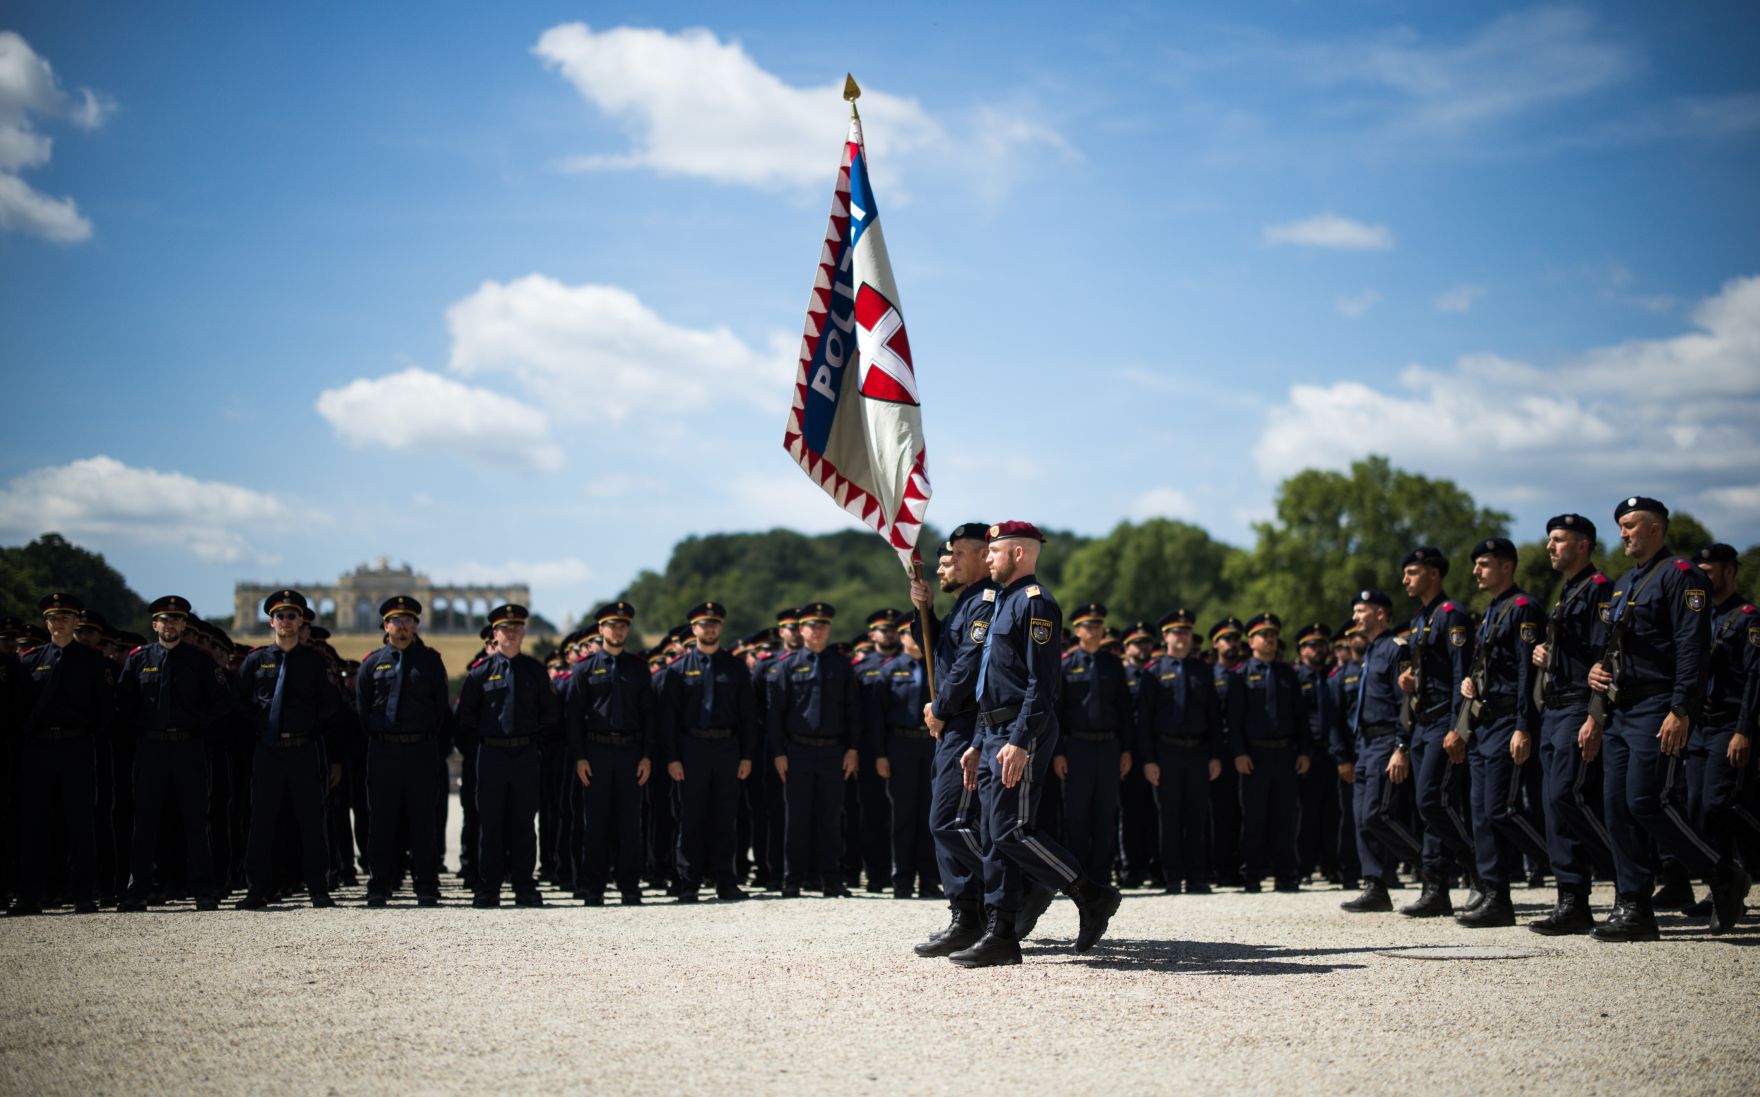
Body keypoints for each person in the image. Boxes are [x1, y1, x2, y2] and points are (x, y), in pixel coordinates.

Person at [948, 522, 1120, 968]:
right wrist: (979, 741)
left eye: (994, 551)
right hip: (992, 732)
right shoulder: (1002, 602)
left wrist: (1020, 740)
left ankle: (1091, 894)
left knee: (1011, 829)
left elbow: (1041, 684)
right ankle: (1001, 932)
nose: (986, 558)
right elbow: (994, 683)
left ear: (1019, 554)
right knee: (992, 835)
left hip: (1021, 732)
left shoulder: (1035, 604)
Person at [1587, 498, 1745, 940]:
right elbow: (1612, 650)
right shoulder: (1624, 584)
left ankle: (1722, 872)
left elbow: (1693, 649)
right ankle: (1634, 905)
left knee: (1646, 802)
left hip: (1659, 705)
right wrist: (1596, 682)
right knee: (1616, 807)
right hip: (1621, 708)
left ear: (1656, 529)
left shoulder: (1681, 576)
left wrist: (1681, 710)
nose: (1623, 534)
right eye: (1619, 526)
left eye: (1631, 525)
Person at [911, 524, 1003, 957]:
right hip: (951, 726)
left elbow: (967, 667)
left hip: (965, 724)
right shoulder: (964, 603)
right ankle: (965, 913)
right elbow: (940, 651)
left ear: (983, 556)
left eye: (956, 556)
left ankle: (1013, 884)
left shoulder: (984, 602)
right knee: (945, 822)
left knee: (947, 820)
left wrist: (940, 708)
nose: (947, 564)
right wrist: (923, 612)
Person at [1526, 515, 1616, 934]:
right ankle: (1572, 900)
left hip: (1579, 706)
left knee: (1568, 796)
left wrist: (1594, 715)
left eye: (1558, 540)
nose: (1550, 547)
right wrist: (1548, 653)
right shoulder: (1566, 592)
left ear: (1583, 545)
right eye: (1549, 540)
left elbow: (1606, 655)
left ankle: (1629, 874)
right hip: (1555, 708)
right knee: (1553, 807)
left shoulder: (1599, 590)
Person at [115, 596, 232, 911]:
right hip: (151, 747)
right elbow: (124, 702)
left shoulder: (199, 660)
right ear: (155, 625)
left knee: (195, 822)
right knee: (145, 823)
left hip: (187, 748)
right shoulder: (139, 659)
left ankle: (203, 891)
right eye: (165, 620)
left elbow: (221, 704)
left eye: (177, 620)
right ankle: (137, 890)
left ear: (184, 624)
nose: (170, 625)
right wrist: (142, 728)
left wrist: (197, 729)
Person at [1455, 539, 1550, 927]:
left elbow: (1528, 672)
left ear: (1507, 567)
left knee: (1500, 809)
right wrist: (1470, 683)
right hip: (1485, 722)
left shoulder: (1523, 608)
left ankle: (1559, 857)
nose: (1476, 571)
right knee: (1481, 814)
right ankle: (1496, 895)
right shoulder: (1492, 610)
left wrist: (1523, 726)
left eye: (1484, 564)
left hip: (1510, 720)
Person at [234, 590, 344, 910]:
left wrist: (308, 725)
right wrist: (260, 723)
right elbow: (239, 702)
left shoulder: (314, 662)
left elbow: (330, 706)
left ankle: (318, 888)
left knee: (311, 820)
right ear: (271, 621)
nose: (286, 621)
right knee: (263, 822)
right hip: (268, 749)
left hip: (302, 748)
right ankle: (258, 889)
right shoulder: (256, 661)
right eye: (280, 616)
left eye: (292, 616)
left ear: (301, 621)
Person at [8, 594, 116, 916]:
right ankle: (30, 896)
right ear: (46, 621)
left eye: (65, 617)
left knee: (80, 822)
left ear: (75, 621)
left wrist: (84, 735)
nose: (59, 623)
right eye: (53, 618)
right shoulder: (30, 660)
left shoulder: (91, 661)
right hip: (40, 748)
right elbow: (19, 707)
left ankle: (83, 895)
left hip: (75, 746)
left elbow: (104, 710)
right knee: (35, 824)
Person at [456, 604, 560, 908]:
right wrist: (483, 744)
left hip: (525, 754)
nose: (511, 633)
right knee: (490, 824)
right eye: (505, 628)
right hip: (492, 756)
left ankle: (524, 887)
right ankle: (488, 888)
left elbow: (551, 715)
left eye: (517, 627)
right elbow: (465, 718)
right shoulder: (480, 674)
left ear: (524, 632)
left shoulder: (536, 671)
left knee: (524, 824)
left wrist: (532, 741)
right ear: (494, 633)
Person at [1396, 546, 1478, 918]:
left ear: (1433, 573)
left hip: (1444, 721)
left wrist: (1457, 727)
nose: (1405, 579)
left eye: (1412, 572)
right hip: (1423, 722)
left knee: (1433, 800)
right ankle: (1435, 887)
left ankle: (1478, 867)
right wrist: (1410, 681)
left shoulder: (1452, 614)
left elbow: (1464, 675)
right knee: (1427, 807)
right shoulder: (1419, 619)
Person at [356, 595, 451, 908]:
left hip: (420, 751)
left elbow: (441, 709)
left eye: (408, 620)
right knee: (381, 821)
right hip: (384, 752)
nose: (402, 625)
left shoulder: (430, 661)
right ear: (385, 625)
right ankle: (380, 884)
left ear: (416, 625)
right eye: (396, 620)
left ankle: (426, 885)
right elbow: (363, 708)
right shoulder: (372, 663)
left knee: (423, 820)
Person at [659, 601, 758, 903]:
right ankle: (688, 884)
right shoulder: (677, 671)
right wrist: (673, 758)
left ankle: (726, 881)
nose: (710, 628)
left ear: (721, 627)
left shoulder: (735, 668)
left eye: (715, 623)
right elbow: (668, 720)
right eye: (704, 624)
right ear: (694, 629)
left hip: (727, 749)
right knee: (691, 819)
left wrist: (746, 756)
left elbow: (748, 718)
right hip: (691, 750)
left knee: (725, 818)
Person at [564, 601, 656, 906]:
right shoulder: (584, 668)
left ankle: (630, 886)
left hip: (630, 753)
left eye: (623, 625)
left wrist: (646, 756)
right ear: (601, 629)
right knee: (596, 824)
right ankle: (595, 887)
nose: (618, 630)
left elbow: (648, 717)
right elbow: (574, 718)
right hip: (596, 752)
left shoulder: (638, 667)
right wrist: (579, 757)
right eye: (612, 625)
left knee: (630, 823)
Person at [766, 602, 861, 898]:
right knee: (797, 819)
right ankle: (792, 880)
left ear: (829, 629)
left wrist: (853, 749)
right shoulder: (787, 666)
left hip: (834, 751)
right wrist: (778, 753)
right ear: (801, 630)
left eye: (822, 625)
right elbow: (775, 714)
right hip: (797, 751)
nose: (817, 630)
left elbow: (853, 712)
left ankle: (831, 880)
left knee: (831, 818)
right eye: (811, 625)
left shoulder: (842, 666)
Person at [1340, 589, 1423, 912]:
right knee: (1362, 817)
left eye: (1362, 610)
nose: (1356, 616)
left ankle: (1428, 863)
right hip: (1365, 743)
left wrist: (1401, 745)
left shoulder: (1395, 649)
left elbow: (1405, 701)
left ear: (1380, 614)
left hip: (1386, 740)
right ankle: (1376, 884)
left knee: (1377, 813)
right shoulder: (1370, 651)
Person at [1688, 544, 1759, 910]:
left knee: (1718, 803)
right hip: (1700, 726)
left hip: (1730, 726)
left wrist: (1744, 730)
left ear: (1729, 571)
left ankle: (1739, 872)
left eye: (1709, 572)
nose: (1702, 579)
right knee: (1696, 807)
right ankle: (1721, 885)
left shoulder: (1748, 618)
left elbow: (1754, 680)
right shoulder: (1698, 617)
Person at [1134, 608, 1223, 895]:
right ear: (1165, 636)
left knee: (1198, 817)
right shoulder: (1153, 673)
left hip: (1198, 752)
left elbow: (1215, 718)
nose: (1182, 636)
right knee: (1169, 818)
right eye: (1176, 632)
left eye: (1185, 632)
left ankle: (1197, 876)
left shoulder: (1203, 670)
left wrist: (1215, 756)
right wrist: (1148, 760)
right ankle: (1172, 877)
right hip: (1166, 752)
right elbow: (1144, 721)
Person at [1227, 614, 1311, 892]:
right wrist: (1238, 752)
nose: (1270, 639)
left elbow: (1301, 717)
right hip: (1255, 755)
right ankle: (1252, 874)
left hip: (1286, 753)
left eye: (1273, 634)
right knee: (1254, 818)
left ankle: (1286, 874)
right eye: (1263, 635)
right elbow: (1234, 719)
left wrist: (1303, 751)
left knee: (1286, 816)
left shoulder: (1289, 673)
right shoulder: (1240, 675)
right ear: (1251, 641)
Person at [1053, 602, 1133, 886]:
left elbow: (1125, 710)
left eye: (1098, 625)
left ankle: (1100, 877)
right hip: (1077, 747)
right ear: (1077, 630)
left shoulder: (1113, 664)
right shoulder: (1065, 665)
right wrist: (1059, 753)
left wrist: (1126, 750)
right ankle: (1077, 878)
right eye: (1089, 626)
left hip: (1109, 747)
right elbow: (1057, 713)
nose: (1095, 630)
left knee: (1105, 814)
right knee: (1076, 814)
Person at [869, 611, 939, 898]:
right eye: (912, 633)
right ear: (902, 637)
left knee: (930, 814)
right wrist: (880, 754)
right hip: (900, 746)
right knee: (904, 815)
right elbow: (877, 718)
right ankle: (902, 879)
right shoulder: (890, 670)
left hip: (931, 745)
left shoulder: (937, 667)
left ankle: (929, 879)